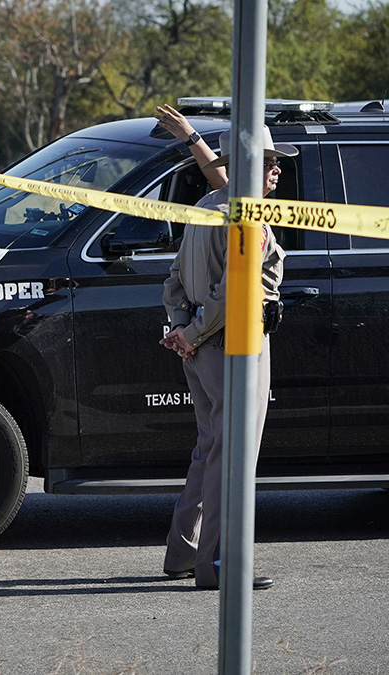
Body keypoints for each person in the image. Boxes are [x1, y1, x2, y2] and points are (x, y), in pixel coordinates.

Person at [160, 125, 294, 591]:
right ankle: (217, 565)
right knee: (233, 457)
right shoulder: (246, 221)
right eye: (271, 161)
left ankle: (184, 551)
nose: (278, 169)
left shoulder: (206, 209)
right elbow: (233, 291)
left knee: (211, 449)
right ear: (246, 168)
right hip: (234, 345)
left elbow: (174, 277)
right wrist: (194, 332)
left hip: (201, 348)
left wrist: (182, 330)